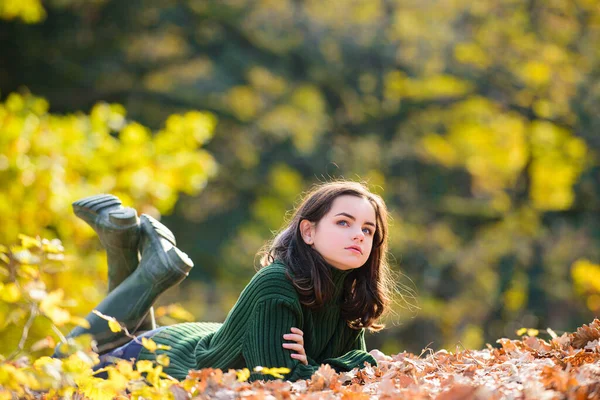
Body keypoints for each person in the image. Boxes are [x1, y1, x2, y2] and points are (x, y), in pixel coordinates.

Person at [58, 180, 395, 381]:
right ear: (308, 231)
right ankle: (151, 270)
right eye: (343, 223)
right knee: (60, 365)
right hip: (164, 362)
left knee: (123, 336)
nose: (359, 235)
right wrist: (337, 366)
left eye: (368, 229)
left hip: (191, 341)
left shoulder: (350, 294)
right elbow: (275, 380)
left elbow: (356, 364)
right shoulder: (278, 283)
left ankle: (120, 244)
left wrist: (322, 365)